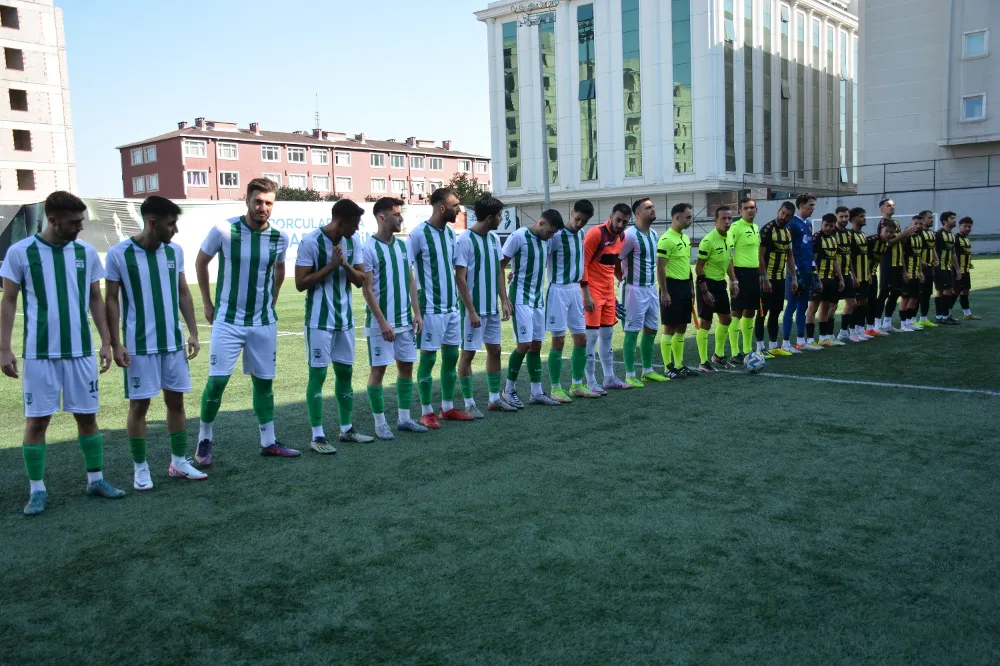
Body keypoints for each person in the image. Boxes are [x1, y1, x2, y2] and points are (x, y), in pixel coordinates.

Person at [0, 191, 125, 515]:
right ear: (52, 220)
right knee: (37, 422)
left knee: (87, 417)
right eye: (73, 223)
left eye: (81, 221)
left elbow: (95, 299)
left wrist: (107, 340)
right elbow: (9, 300)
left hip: (80, 353)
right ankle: (37, 490)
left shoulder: (85, 252)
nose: (79, 228)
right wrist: (4, 348)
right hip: (39, 355)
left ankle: (96, 480)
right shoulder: (20, 252)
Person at [105, 195, 206, 490]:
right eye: (171, 224)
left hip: (172, 344)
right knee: (139, 407)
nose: (175, 230)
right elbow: (111, 299)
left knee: (176, 402)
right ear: (152, 223)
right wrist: (115, 343)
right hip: (138, 346)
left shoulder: (175, 252)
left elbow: (183, 293)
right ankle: (140, 468)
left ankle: (178, 462)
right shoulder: (119, 254)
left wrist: (193, 332)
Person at [195, 177, 296, 463]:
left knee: (264, 383)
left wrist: (272, 300)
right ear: (247, 201)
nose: (263, 207)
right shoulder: (225, 229)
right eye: (258, 201)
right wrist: (207, 302)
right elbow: (201, 262)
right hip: (228, 320)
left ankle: (269, 441)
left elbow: (279, 271)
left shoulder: (279, 238)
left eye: (268, 203)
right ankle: (204, 439)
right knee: (217, 382)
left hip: (263, 323)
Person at [295, 198, 374, 453]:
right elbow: (300, 283)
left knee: (346, 374)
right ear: (339, 223)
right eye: (354, 224)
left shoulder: (353, 242)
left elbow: (362, 280)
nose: (357, 229)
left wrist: (344, 265)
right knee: (318, 375)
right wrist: (331, 266)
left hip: (345, 320)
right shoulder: (310, 241)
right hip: (319, 321)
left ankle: (346, 429)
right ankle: (317, 435)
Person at [361, 197, 428, 440]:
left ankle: (404, 419)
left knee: (406, 369)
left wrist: (417, 313)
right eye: (397, 214)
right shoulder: (368, 248)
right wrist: (381, 322)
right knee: (378, 371)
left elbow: (411, 281)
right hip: (382, 325)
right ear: (382, 218)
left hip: (405, 323)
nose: (401, 218)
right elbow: (367, 289)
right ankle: (380, 424)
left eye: (401, 214)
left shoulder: (401, 246)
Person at [408, 187, 473, 428]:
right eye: (456, 205)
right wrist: (416, 310)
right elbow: (408, 272)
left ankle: (447, 407)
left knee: (451, 356)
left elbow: (456, 270)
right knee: (428, 358)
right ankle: (426, 411)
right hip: (431, 308)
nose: (459, 210)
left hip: (451, 307)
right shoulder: (418, 234)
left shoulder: (449, 234)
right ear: (442, 207)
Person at [455, 196, 515, 415]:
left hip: (491, 308)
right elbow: (460, 278)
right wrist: (470, 310)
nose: (501, 219)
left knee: (496, 350)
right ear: (490, 217)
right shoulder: (464, 240)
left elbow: (499, 271)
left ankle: (493, 399)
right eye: (499, 215)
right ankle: (469, 402)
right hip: (473, 310)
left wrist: (504, 299)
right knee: (468, 354)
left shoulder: (492, 239)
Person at [501, 209, 565, 407]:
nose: (551, 236)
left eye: (554, 233)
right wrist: (504, 299)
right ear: (541, 223)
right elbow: (500, 265)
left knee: (536, 344)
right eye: (550, 232)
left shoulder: (545, 241)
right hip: (520, 298)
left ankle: (536, 392)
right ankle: (508, 390)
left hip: (537, 299)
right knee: (524, 344)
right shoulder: (518, 236)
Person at [545, 200, 601, 401]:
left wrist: (585, 293)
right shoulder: (556, 236)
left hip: (575, 291)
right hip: (558, 290)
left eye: (583, 221)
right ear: (571, 213)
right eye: (577, 219)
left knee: (582, 338)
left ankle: (577, 384)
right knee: (558, 340)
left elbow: (582, 265)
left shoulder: (582, 235)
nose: (579, 224)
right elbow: (541, 256)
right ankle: (555, 387)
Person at [618, 198, 669, 387]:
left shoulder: (654, 234)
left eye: (653, 207)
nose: (652, 210)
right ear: (638, 213)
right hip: (633, 289)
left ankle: (647, 371)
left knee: (652, 329)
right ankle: (630, 374)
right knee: (632, 331)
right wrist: (622, 279)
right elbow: (616, 260)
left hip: (650, 289)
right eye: (648, 208)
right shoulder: (629, 235)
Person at [581, 203, 630, 393]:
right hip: (592, 292)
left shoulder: (622, 237)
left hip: (608, 294)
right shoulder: (595, 233)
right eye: (618, 219)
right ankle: (591, 381)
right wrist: (585, 293)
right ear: (610, 216)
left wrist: (616, 288)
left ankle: (609, 377)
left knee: (607, 336)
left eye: (625, 222)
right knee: (591, 337)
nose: (620, 224)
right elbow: (582, 264)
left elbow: (612, 265)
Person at [656, 203, 699, 379]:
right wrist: (664, 292)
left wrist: (691, 287)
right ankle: (668, 368)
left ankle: (679, 365)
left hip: (684, 287)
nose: (691, 220)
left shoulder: (685, 239)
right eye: (688, 217)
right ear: (677, 217)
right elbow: (660, 268)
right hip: (671, 286)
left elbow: (687, 266)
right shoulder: (666, 239)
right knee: (670, 327)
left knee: (682, 326)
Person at [694, 206, 739, 372]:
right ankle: (703, 362)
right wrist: (705, 291)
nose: (727, 222)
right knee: (705, 322)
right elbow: (699, 268)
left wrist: (733, 281)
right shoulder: (708, 241)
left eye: (730, 219)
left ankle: (718, 356)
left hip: (720, 284)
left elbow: (728, 262)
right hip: (707, 284)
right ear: (715, 221)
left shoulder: (730, 238)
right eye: (723, 219)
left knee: (726, 319)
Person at [754, 202, 797, 357]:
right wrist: (764, 278)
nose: (784, 217)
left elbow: (789, 255)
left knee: (776, 312)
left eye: (788, 215)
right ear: (779, 211)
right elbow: (759, 256)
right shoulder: (767, 229)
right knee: (761, 312)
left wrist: (794, 277)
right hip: (766, 279)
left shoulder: (788, 231)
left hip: (780, 278)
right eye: (782, 213)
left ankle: (773, 346)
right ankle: (759, 347)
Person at [781, 193, 818, 353]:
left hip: (807, 271)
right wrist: (794, 272)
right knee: (792, 306)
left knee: (803, 306)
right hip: (794, 273)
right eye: (810, 205)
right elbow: (788, 251)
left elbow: (808, 251)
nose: (813, 208)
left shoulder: (808, 224)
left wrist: (814, 271)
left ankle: (801, 341)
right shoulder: (792, 224)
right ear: (801, 205)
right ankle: (785, 342)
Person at [728, 197, 761, 362]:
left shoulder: (755, 227)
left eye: (752, 207)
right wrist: (732, 279)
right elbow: (729, 255)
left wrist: (761, 275)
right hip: (740, 274)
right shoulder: (735, 228)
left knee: (751, 311)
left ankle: (748, 350)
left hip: (754, 274)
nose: (749, 210)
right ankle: (735, 352)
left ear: (756, 210)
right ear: (740, 211)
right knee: (737, 312)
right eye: (746, 208)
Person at [812, 213, 846, 346]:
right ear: (822, 223)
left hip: (831, 278)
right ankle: (818, 338)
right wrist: (816, 278)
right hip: (819, 278)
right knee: (814, 307)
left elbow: (835, 260)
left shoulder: (833, 238)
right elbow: (813, 260)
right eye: (826, 225)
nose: (828, 228)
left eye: (831, 226)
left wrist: (841, 278)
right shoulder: (816, 238)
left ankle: (827, 337)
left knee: (828, 306)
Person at [874, 198, 905, 333]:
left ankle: (887, 322)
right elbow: (888, 242)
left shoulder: (896, 223)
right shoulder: (882, 223)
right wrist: (905, 234)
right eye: (888, 205)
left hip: (898, 263)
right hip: (887, 262)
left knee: (896, 292)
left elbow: (900, 243)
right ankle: (876, 324)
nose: (892, 208)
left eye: (893, 205)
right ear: (882, 209)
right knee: (884, 293)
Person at [831, 206, 859, 344]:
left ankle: (843, 333)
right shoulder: (831, 233)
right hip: (833, 274)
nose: (844, 219)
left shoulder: (849, 234)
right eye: (841, 216)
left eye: (846, 217)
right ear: (836, 216)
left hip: (847, 273)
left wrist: (853, 275)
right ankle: (828, 336)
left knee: (852, 302)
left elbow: (849, 255)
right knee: (832, 306)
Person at [845, 207, 873, 341]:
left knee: (863, 301)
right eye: (861, 216)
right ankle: (851, 332)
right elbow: (848, 257)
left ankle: (859, 329)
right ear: (854, 219)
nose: (864, 218)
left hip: (864, 275)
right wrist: (853, 275)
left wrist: (868, 273)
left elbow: (865, 257)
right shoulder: (850, 235)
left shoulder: (862, 235)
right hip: (855, 276)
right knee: (854, 303)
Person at [899, 214, 926, 332]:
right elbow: (901, 256)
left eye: (920, 224)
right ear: (911, 224)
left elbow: (918, 256)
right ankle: (903, 324)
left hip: (916, 273)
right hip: (908, 273)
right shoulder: (906, 237)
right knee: (905, 298)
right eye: (916, 223)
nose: (918, 226)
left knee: (914, 298)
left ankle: (909, 322)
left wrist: (920, 271)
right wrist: (904, 272)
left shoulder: (920, 238)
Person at [933, 211, 961, 325]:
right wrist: (936, 262)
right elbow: (932, 248)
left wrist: (957, 269)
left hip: (947, 268)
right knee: (947, 291)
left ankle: (939, 316)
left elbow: (953, 253)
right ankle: (945, 316)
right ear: (945, 221)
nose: (955, 220)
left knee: (941, 291)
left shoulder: (952, 236)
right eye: (952, 218)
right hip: (940, 268)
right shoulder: (938, 234)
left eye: (955, 218)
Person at [915, 210, 940, 328]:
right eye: (929, 218)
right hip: (918, 268)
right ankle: (911, 319)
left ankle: (923, 318)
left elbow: (933, 247)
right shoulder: (918, 233)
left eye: (932, 217)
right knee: (917, 294)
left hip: (930, 268)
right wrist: (920, 262)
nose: (932, 219)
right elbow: (914, 250)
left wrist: (936, 258)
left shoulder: (931, 233)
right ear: (922, 219)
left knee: (927, 293)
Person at [953, 216, 980, 320]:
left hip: (966, 270)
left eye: (969, 226)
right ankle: (947, 314)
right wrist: (956, 269)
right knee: (955, 292)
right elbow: (953, 254)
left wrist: (969, 263)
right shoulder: (955, 238)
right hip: (957, 271)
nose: (968, 228)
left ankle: (967, 314)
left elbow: (965, 253)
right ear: (960, 226)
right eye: (965, 226)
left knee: (965, 291)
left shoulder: (966, 239)